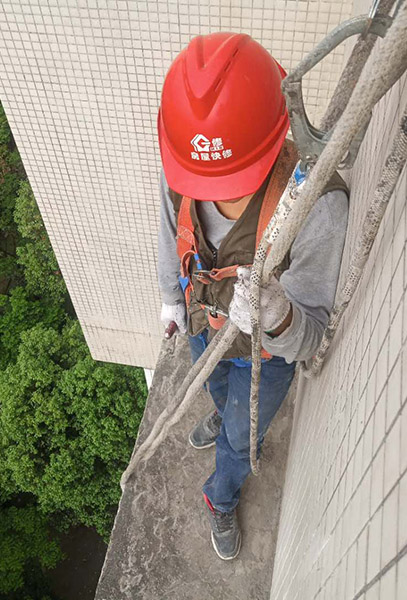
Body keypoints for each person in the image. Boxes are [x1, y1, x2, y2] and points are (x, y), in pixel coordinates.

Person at [156, 32, 350, 560]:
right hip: (204, 328)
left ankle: (219, 495)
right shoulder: (183, 170)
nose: (210, 191)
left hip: (265, 356)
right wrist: (171, 296)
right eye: (199, 178)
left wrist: (279, 314)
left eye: (230, 179)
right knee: (217, 394)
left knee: (241, 443)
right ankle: (223, 414)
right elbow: (170, 231)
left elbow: (308, 341)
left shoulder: (314, 206)